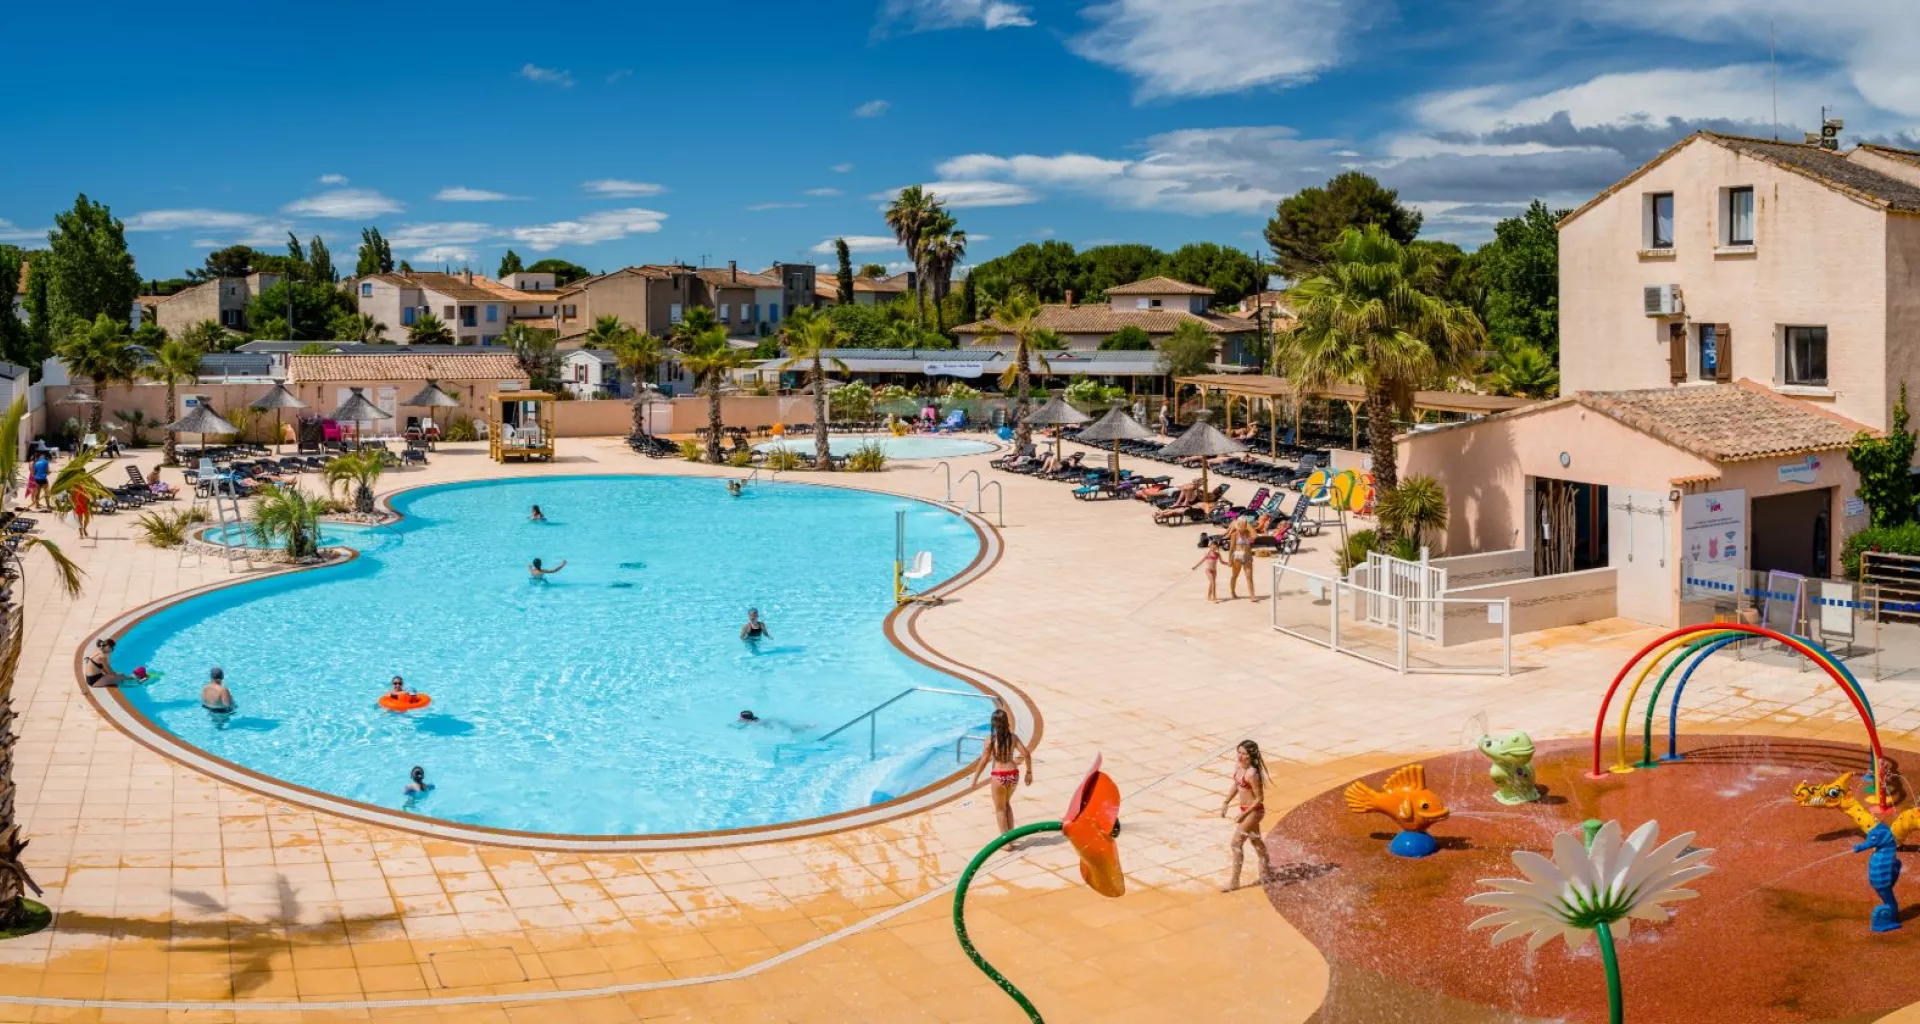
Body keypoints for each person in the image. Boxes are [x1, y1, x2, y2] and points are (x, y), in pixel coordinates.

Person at [1219, 740, 1276, 891]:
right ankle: (1267, 872)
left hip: (1254, 811)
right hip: (1246, 810)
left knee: (1236, 843)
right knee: (1256, 841)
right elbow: (1236, 785)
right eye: (1239, 752)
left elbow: (1259, 798)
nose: (1240, 756)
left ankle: (1234, 882)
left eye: (1244, 754)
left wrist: (1245, 814)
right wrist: (1226, 802)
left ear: (1251, 756)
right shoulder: (1238, 767)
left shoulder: (1252, 773)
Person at [969, 707, 1033, 842]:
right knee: (1007, 804)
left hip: (999, 776)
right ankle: (1012, 837)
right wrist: (1029, 773)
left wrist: (975, 778)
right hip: (1013, 774)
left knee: (1000, 810)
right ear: (1006, 722)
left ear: (993, 724)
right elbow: (1026, 754)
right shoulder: (1013, 738)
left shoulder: (990, 740)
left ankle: (1005, 842)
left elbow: (984, 760)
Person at [1226, 518, 1259, 600]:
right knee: (1234, 576)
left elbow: (1255, 535)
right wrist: (1229, 560)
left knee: (1249, 577)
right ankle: (1232, 591)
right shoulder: (1234, 535)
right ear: (1238, 525)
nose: (1243, 526)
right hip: (1237, 556)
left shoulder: (1249, 533)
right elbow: (1231, 549)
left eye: (1245, 524)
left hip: (1247, 556)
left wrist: (1247, 524)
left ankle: (1252, 595)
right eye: (1242, 524)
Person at [1193, 537, 1223, 604]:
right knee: (1213, 582)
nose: (1213, 548)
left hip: (1214, 571)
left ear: (1217, 548)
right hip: (1208, 570)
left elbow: (1222, 562)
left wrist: (1227, 563)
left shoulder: (1218, 554)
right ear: (1210, 546)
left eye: (1215, 547)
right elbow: (1202, 561)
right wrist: (1195, 566)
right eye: (1212, 547)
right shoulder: (1208, 554)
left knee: (1211, 583)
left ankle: (1209, 596)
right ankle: (1214, 597)